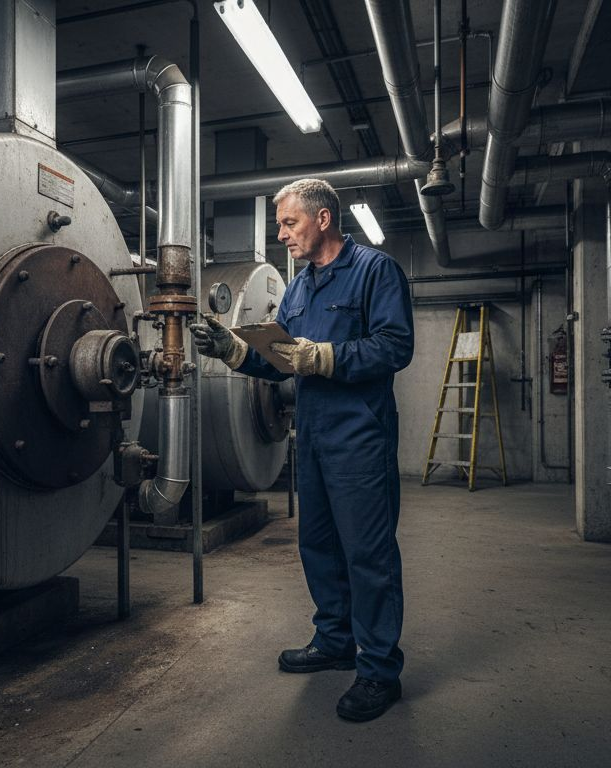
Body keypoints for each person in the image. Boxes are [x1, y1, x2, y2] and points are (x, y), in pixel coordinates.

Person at [190, 178, 414, 722]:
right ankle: (335, 640)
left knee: (368, 555)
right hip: (312, 436)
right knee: (317, 545)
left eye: (289, 224)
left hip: (360, 437)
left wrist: (325, 358)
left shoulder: (374, 271)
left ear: (322, 219)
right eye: (280, 226)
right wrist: (234, 349)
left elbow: (395, 345)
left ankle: (380, 671)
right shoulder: (300, 287)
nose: (282, 235)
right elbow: (281, 356)